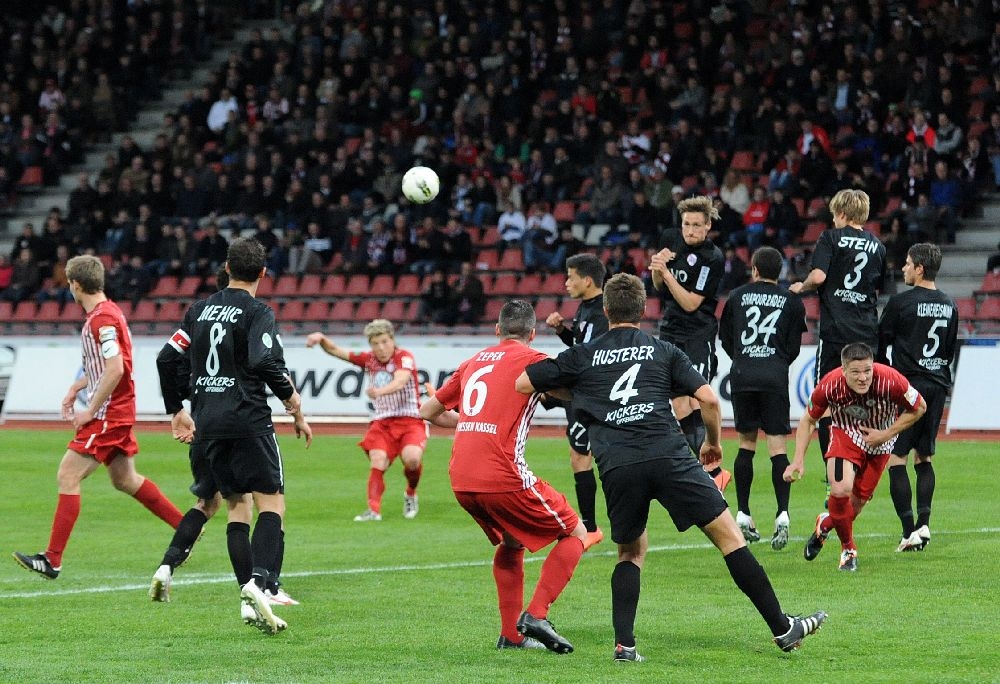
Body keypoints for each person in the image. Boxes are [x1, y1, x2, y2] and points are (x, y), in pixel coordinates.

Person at [518, 273, 827, 661]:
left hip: (618, 464)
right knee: (730, 538)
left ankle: (625, 645)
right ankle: (782, 628)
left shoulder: (584, 355)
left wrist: (583, 391)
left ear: (606, 310)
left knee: (630, 553)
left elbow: (524, 384)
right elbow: (709, 399)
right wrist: (712, 443)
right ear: (644, 309)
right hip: (669, 455)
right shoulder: (662, 350)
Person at [154, 238, 311, 634]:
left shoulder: (198, 310)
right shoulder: (258, 312)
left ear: (226, 267)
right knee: (272, 503)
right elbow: (263, 359)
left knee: (235, 504)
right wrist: (291, 399)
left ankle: (246, 595)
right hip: (247, 420)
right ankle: (260, 584)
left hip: (207, 423)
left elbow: (166, 357)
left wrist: (177, 410)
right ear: (263, 273)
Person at [419, 300, 587, 654]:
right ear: (532, 333)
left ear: (497, 330)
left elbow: (428, 411)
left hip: (461, 478)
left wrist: (471, 423)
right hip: (502, 475)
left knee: (512, 543)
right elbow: (574, 391)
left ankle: (511, 637)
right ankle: (537, 615)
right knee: (576, 533)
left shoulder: (473, 361)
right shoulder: (534, 360)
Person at [13, 255, 185, 580]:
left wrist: (90, 410)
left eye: (69, 283)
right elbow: (108, 365)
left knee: (67, 474)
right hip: (118, 410)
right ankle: (185, 527)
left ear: (76, 285)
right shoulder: (109, 312)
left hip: (109, 413)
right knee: (124, 480)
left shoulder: (101, 320)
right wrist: (76, 386)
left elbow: (115, 368)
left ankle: (52, 560)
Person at [785, 343, 926, 572]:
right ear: (843, 370)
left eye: (867, 371)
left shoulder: (891, 380)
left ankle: (825, 523)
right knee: (840, 490)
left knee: (854, 507)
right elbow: (808, 420)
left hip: (881, 442)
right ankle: (848, 550)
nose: (863, 378)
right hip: (846, 433)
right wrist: (798, 460)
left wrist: (885, 434)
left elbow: (919, 407)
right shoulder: (830, 384)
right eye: (856, 372)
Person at [789, 189, 886, 485]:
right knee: (864, 401)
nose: (833, 220)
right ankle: (859, 467)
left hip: (835, 332)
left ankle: (834, 472)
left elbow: (818, 276)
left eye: (834, 215)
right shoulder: (878, 246)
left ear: (842, 213)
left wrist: (802, 286)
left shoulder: (830, 238)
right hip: (867, 331)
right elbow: (877, 287)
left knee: (826, 402)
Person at [719, 246, 807, 550]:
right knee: (777, 448)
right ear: (779, 271)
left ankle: (743, 513)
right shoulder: (791, 300)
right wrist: (776, 362)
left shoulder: (736, 296)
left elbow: (726, 338)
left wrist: (744, 358)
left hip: (743, 375)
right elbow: (794, 346)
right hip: (774, 376)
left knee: (746, 444)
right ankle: (782, 514)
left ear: (754, 269)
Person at [876, 243, 959, 552]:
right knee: (924, 457)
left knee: (896, 458)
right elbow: (949, 351)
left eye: (908, 263)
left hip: (908, 387)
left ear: (920, 268)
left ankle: (908, 531)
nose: (904, 268)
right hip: (937, 385)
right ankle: (924, 525)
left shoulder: (900, 303)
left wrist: (886, 378)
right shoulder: (950, 304)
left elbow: (880, 343)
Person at [306, 319, 426, 521]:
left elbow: (400, 381)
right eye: (375, 343)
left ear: (392, 340)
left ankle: (410, 493)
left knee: (412, 460)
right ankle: (373, 510)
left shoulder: (404, 357)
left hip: (410, 420)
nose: (381, 348)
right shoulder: (369, 359)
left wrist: (379, 391)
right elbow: (336, 351)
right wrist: (321, 338)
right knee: (378, 460)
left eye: (384, 342)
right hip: (382, 423)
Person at [649, 195, 730, 490]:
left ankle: (712, 468)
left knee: (698, 398)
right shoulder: (671, 240)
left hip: (698, 333)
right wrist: (657, 268)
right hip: (671, 331)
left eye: (697, 225)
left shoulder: (712, 257)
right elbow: (658, 287)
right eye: (687, 224)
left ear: (708, 226)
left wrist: (666, 273)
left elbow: (691, 303)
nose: (691, 230)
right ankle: (710, 472)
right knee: (679, 401)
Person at [543, 253, 609, 550]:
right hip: (581, 392)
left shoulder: (601, 312)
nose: (566, 283)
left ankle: (592, 527)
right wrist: (562, 332)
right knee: (579, 456)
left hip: (590, 395)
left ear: (587, 280)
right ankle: (591, 527)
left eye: (571, 277)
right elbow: (581, 345)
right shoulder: (586, 308)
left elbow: (592, 356)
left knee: (585, 457)